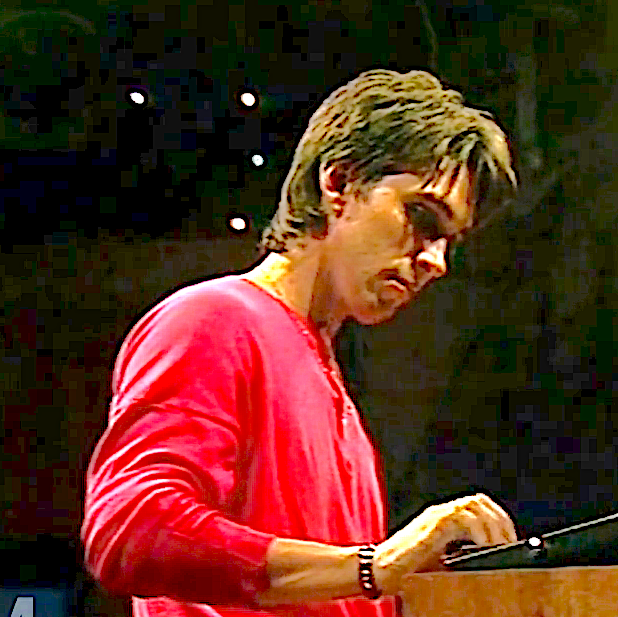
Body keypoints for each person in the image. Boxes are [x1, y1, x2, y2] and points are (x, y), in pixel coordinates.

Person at [81, 69, 519, 617]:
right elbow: (131, 530)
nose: (436, 261)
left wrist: (404, 579)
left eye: (449, 241)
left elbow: (348, 590)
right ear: (338, 184)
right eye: (422, 217)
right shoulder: (214, 320)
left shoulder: (333, 387)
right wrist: (375, 566)